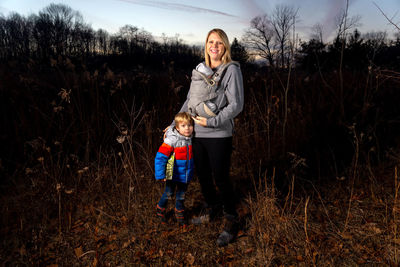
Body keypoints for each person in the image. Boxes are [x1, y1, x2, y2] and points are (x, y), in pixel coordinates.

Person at [169, 28, 244, 246]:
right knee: (202, 175)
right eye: (211, 42)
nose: (214, 46)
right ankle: (213, 208)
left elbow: (236, 105)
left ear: (225, 46)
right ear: (206, 45)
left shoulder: (231, 70)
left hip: (219, 133)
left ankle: (231, 220)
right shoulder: (200, 71)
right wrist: (174, 123)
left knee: (220, 177)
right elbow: (189, 101)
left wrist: (211, 121)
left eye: (219, 43)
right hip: (196, 133)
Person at [155, 112, 194, 227]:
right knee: (169, 192)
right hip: (172, 174)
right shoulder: (171, 140)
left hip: (185, 175)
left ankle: (179, 212)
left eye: (190, 125)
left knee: (181, 195)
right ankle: (160, 209)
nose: (187, 128)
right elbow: (160, 157)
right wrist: (161, 174)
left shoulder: (191, 138)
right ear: (177, 127)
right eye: (183, 126)